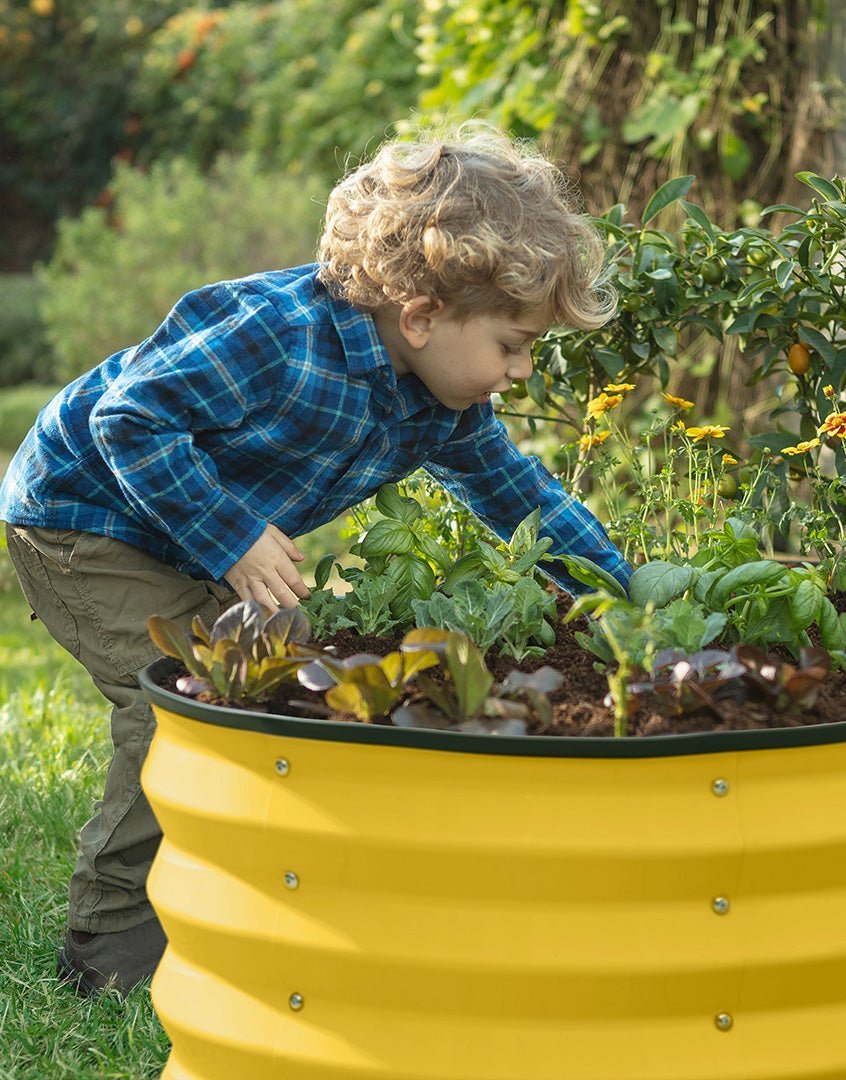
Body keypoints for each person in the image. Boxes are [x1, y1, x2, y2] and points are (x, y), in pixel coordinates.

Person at [0, 124, 633, 997]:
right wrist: (231, 537)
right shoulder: (277, 335)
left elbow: (522, 499)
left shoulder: (439, 404)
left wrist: (624, 595)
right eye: (512, 345)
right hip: (84, 516)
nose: (518, 372)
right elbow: (128, 423)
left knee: (278, 668)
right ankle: (105, 951)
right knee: (182, 702)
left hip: (182, 521)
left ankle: (245, 889)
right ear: (420, 317)